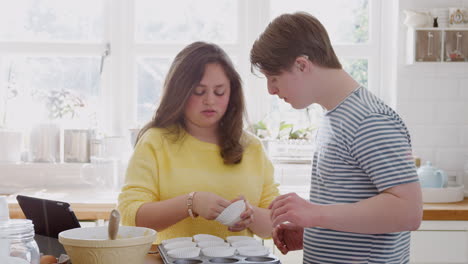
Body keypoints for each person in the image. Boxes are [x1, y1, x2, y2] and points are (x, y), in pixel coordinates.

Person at [250, 12, 422, 263]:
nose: (271, 90)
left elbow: (408, 211)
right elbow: (351, 207)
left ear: (302, 65)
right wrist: (314, 232)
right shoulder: (335, 116)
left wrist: (315, 215)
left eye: (273, 78)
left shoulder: (369, 119)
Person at [118, 41, 279, 244]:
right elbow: (131, 217)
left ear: (232, 93)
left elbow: (274, 225)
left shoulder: (251, 147)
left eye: (219, 92)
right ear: (180, 92)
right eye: (199, 91)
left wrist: (250, 215)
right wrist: (190, 203)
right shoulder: (155, 142)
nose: (210, 100)